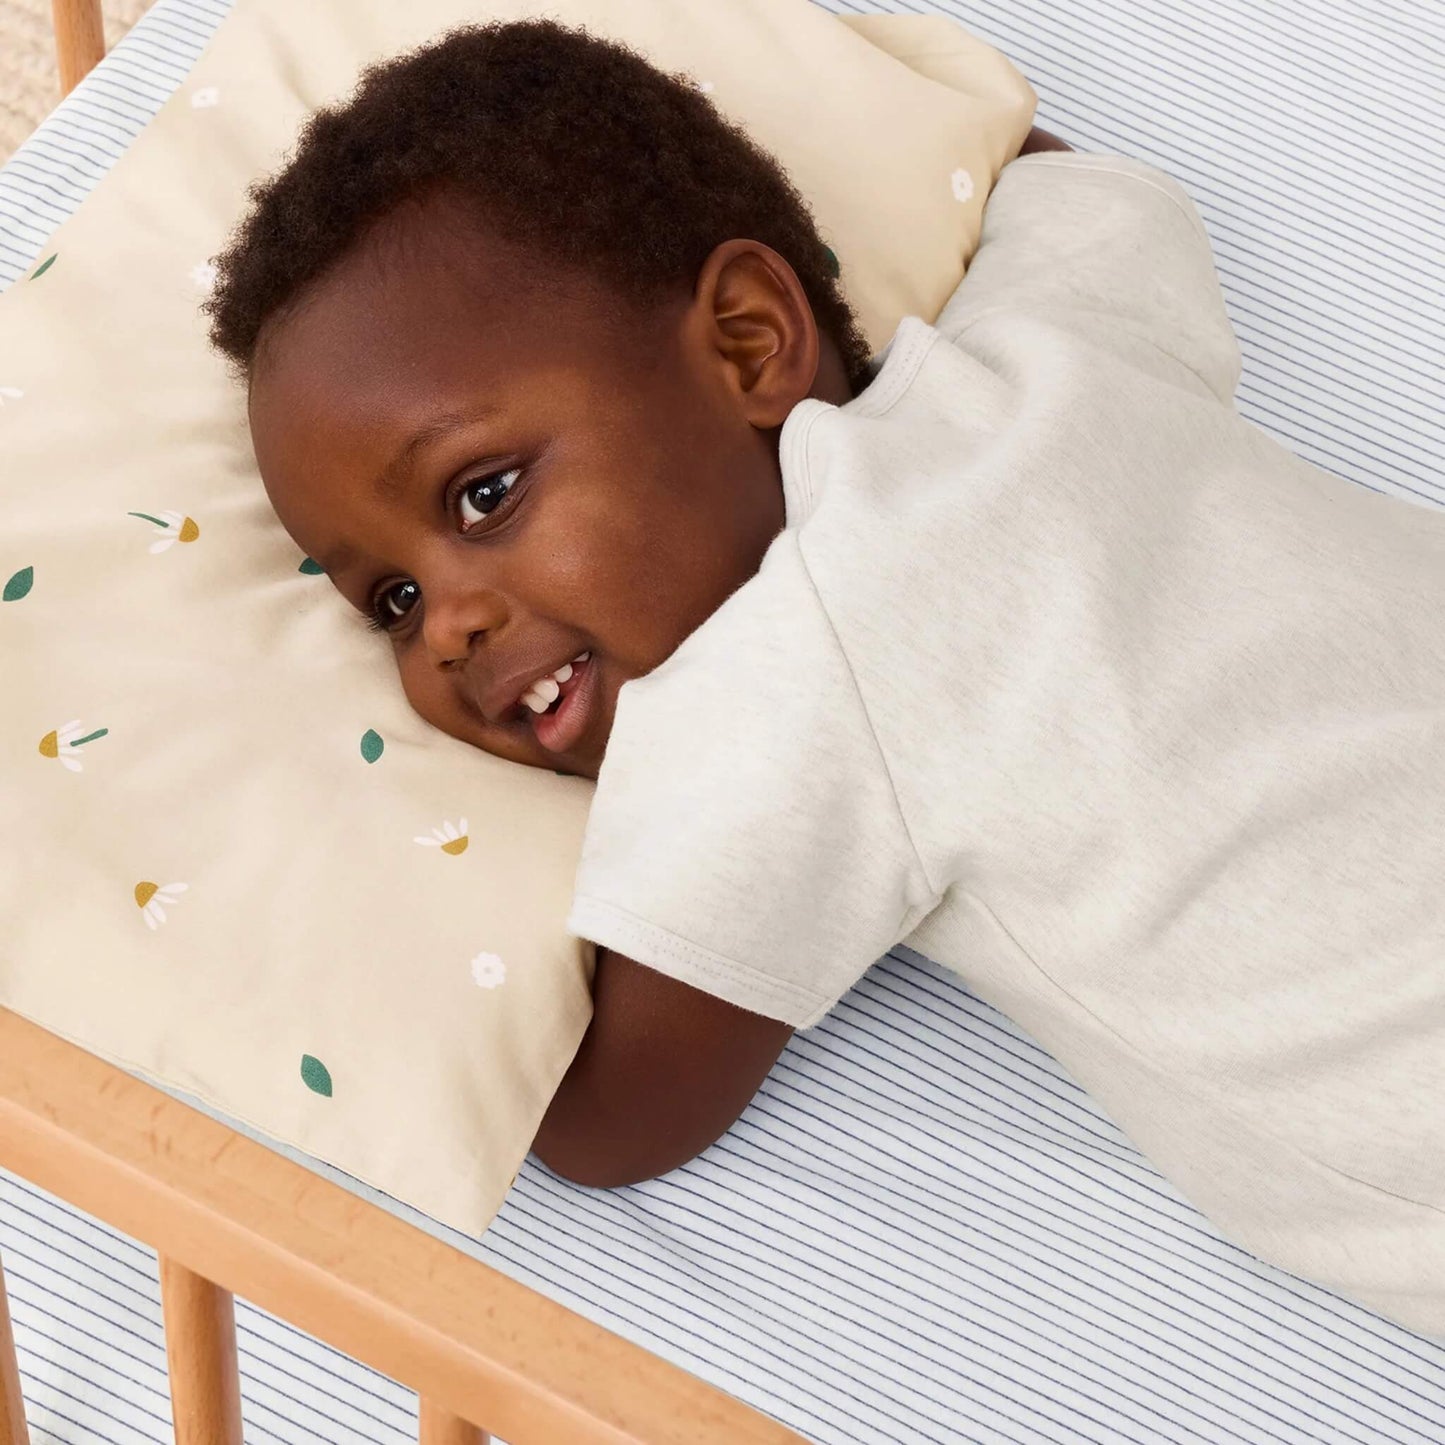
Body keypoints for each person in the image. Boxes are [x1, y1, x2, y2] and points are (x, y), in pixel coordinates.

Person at [204, 20, 1445, 1339]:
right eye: (388, 600)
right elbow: (1066, 181)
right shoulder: (1035, 353)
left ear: (747, 340)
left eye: (486, 493)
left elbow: (607, 1122)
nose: (443, 630)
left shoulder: (795, 678)